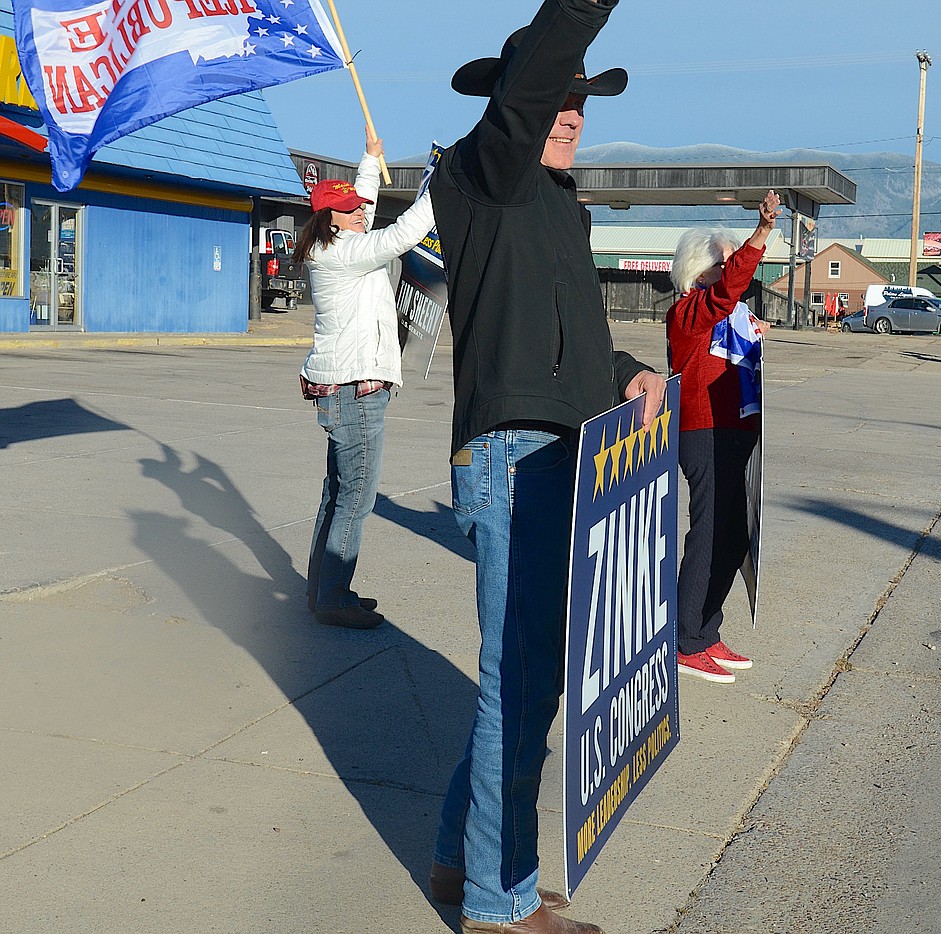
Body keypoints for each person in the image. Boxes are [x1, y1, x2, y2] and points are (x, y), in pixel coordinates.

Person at [426, 3, 665, 932]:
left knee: (524, 683)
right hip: (516, 458)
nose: (571, 111)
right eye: (555, 96)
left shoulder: (558, 209)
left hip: (565, 455)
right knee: (520, 685)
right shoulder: (487, 174)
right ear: (514, 105)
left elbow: (577, 346)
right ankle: (500, 903)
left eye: (582, 101)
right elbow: (529, 95)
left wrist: (630, 372)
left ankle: (461, 857)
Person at [296, 126, 436, 630]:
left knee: (339, 492)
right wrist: (436, 191)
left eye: (359, 205)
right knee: (357, 495)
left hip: (347, 389)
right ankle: (333, 597)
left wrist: (370, 160)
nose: (360, 211)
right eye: (350, 208)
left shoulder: (336, 243)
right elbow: (401, 235)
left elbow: (371, 215)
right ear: (329, 218)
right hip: (355, 392)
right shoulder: (344, 253)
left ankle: (326, 590)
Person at [665, 193, 780, 684]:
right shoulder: (690, 311)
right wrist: (760, 234)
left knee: (736, 537)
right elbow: (724, 295)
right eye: (726, 260)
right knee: (709, 532)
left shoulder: (729, 317)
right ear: (699, 269)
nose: (735, 269)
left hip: (738, 429)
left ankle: (707, 630)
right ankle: (684, 637)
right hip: (704, 431)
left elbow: (732, 307)